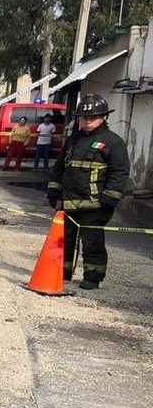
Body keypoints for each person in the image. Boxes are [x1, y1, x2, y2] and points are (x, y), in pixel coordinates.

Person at [47, 94, 129, 290]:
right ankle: (63, 272)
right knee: (64, 239)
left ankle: (93, 277)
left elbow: (119, 172)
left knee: (92, 242)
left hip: (95, 204)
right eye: (84, 118)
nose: (87, 121)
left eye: (92, 117)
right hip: (68, 201)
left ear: (103, 118)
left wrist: (110, 199)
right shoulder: (73, 140)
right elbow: (60, 167)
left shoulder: (113, 142)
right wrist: (52, 190)